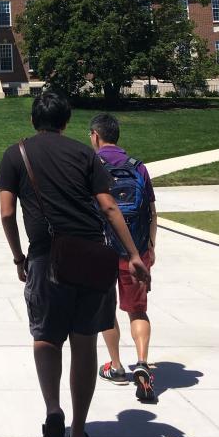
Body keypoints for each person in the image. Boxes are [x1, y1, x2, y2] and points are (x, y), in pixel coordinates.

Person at [0, 91, 150, 437]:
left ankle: (53, 411)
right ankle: (78, 436)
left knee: (46, 338)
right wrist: (132, 254)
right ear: (66, 121)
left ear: (34, 120)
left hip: (46, 256)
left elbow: (5, 213)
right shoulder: (86, 155)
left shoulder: (16, 154)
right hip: (90, 257)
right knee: (84, 344)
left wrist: (19, 255)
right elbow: (109, 206)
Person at [89, 113, 157, 402]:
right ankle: (142, 362)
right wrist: (148, 248)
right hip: (136, 252)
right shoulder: (138, 168)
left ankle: (116, 366)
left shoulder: (92, 166)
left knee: (106, 311)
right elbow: (152, 212)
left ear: (95, 135)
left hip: (104, 250)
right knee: (137, 310)